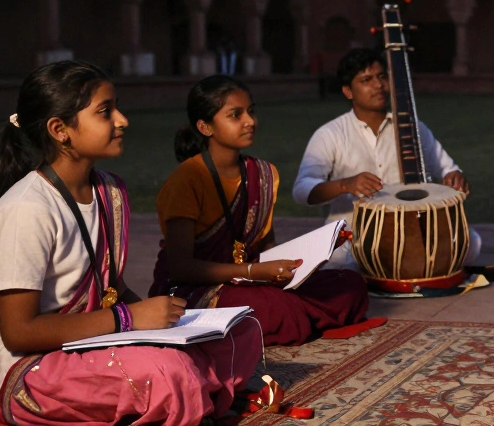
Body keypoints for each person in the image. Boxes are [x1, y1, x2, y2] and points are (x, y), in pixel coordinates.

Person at [0, 61, 261, 425]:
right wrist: (129, 319)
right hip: (30, 366)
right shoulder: (26, 209)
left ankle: (185, 392)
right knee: (167, 370)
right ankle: (188, 390)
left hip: (97, 338)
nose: (122, 120)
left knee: (240, 332)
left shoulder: (109, 188)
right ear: (60, 130)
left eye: (117, 108)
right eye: (105, 112)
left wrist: (167, 325)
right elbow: (19, 332)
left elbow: (112, 287)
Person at [150, 75, 370, 346]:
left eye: (251, 111)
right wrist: (253, 271)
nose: (250, 121)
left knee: (349, 284)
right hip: (197, 290)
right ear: (205, 127)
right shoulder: (186, 180)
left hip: (251, 282)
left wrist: (312, 255)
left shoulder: (263, 174)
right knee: (278, 308)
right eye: (236, 115)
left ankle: (293, 317)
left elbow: (267, 247)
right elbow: (181, 268)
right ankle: (298, 316)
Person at [292, 47, 480, 268]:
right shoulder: (330, 134)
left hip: (410, 228)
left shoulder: (411, 128)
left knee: (472, 243)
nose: (378, 85)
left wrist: (454, 176)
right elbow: (302, 189)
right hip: (354, 232)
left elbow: (448, 168)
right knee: (348, 263)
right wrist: (345, 185)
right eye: (366, 80)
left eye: (382, 77)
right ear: (348, 91)